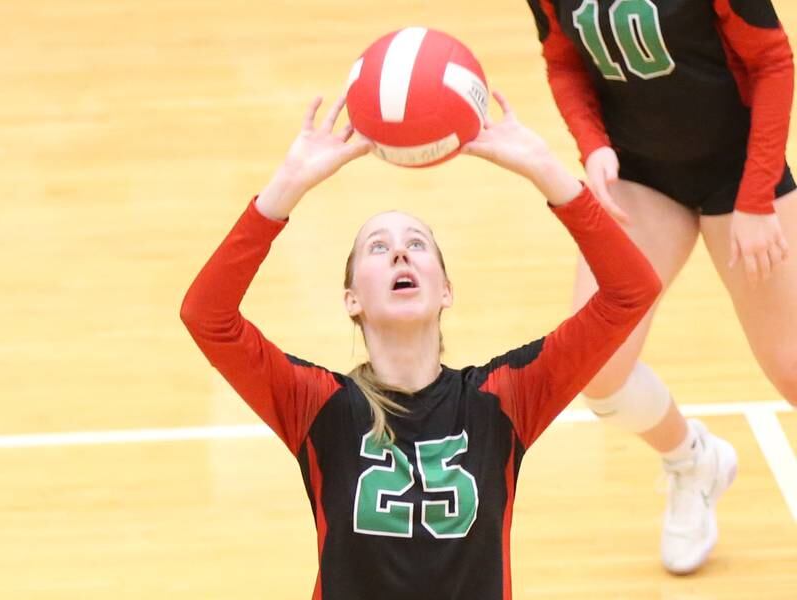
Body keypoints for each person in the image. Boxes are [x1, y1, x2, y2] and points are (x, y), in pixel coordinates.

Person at [180, 91, 661, 599]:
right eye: (378, 247)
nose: (400, 256)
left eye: (416, 244)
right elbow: (206, 315)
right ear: (351, 299)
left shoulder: (504, 399)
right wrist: (287, 187)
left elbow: (632, 292)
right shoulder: (317, 405)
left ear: (446, 290)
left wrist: (549, 173)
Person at [526, 0, 797, 575]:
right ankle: (692, 461)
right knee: (596, 369)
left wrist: (755, 198)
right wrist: (593, 144)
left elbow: (774, 62)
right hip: (642, 177)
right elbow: (564, 62)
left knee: (792, 368)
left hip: (742, 172)